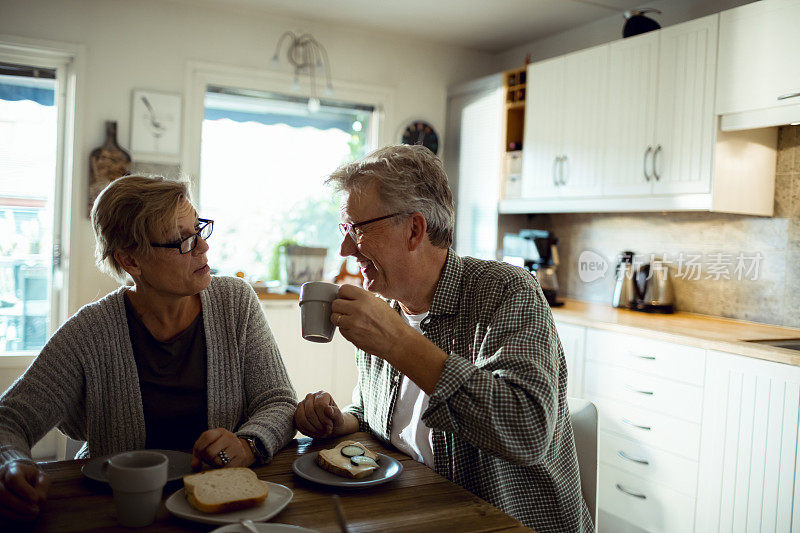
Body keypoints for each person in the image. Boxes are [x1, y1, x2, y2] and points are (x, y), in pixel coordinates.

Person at [294, 145, 593, 532]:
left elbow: (527, 431)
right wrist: (343, 422)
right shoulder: (388, 307)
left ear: (415, 230)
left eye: (359, 229)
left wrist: (398, 342)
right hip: (419, 509)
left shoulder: (505, 292)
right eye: (345, 229)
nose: (345, 248)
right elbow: (380, 415)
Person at [0, 175, 296, 522]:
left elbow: (279, 401)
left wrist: (248, 443)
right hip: (124, 514)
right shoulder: (89, 332)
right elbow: (10, 419)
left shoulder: (236, 302)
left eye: (199, 230)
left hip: (226, 512)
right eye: (182, 241)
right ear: (131, 261)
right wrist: (12, 463)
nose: (203, 248)